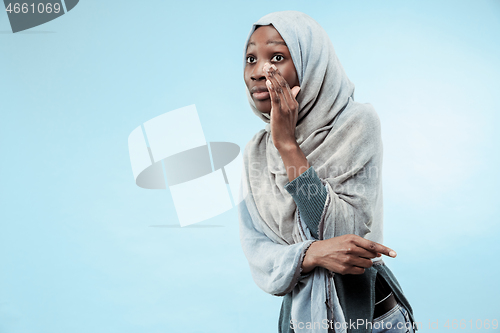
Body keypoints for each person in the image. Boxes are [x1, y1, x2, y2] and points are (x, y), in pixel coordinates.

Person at [238, 11, 417, 333]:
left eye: (277, 56)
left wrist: (288, 146)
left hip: (368, 311)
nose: (257, 71)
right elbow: (258, 254)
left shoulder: (355, 123)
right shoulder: (255, 151)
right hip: (298, 317)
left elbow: (342, 231)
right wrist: (313, 253)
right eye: (250, 58)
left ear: (312, 64)